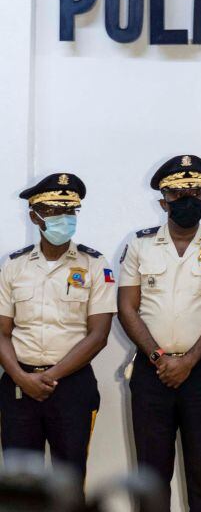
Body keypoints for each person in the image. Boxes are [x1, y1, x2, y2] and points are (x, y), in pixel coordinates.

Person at [116, 155, 201, 512]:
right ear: (163, 202)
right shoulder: (139, 245)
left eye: (194, 192)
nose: (187, 201)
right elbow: (127, 308)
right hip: (151, 372)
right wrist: (158, 357)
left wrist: (188, 361)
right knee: (151, 479)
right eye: (177, 195)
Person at [0, 172, 115, 494]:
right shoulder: (13, 266)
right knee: (20, 486)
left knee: (69, 483)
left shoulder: (95, 264)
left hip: (71, 387)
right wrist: (23, 379)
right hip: (18, 386)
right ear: (34, 216)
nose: (63, 219)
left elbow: (99, 334)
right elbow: (2, 332)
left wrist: (50, 376)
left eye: (69, 212)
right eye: (53, 212)